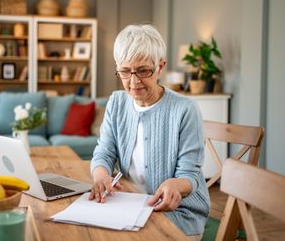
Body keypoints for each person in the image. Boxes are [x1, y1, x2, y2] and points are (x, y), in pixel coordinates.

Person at [89, 24, 209, 239]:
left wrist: (175, 185)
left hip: (176, 212)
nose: (134, 82)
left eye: (143, 70)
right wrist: (101, 175)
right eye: (125, 71)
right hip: (129, 202)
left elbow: (190, 174)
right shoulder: (116, 102)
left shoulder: (185, 109)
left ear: (160, 67)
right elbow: (104, 152)